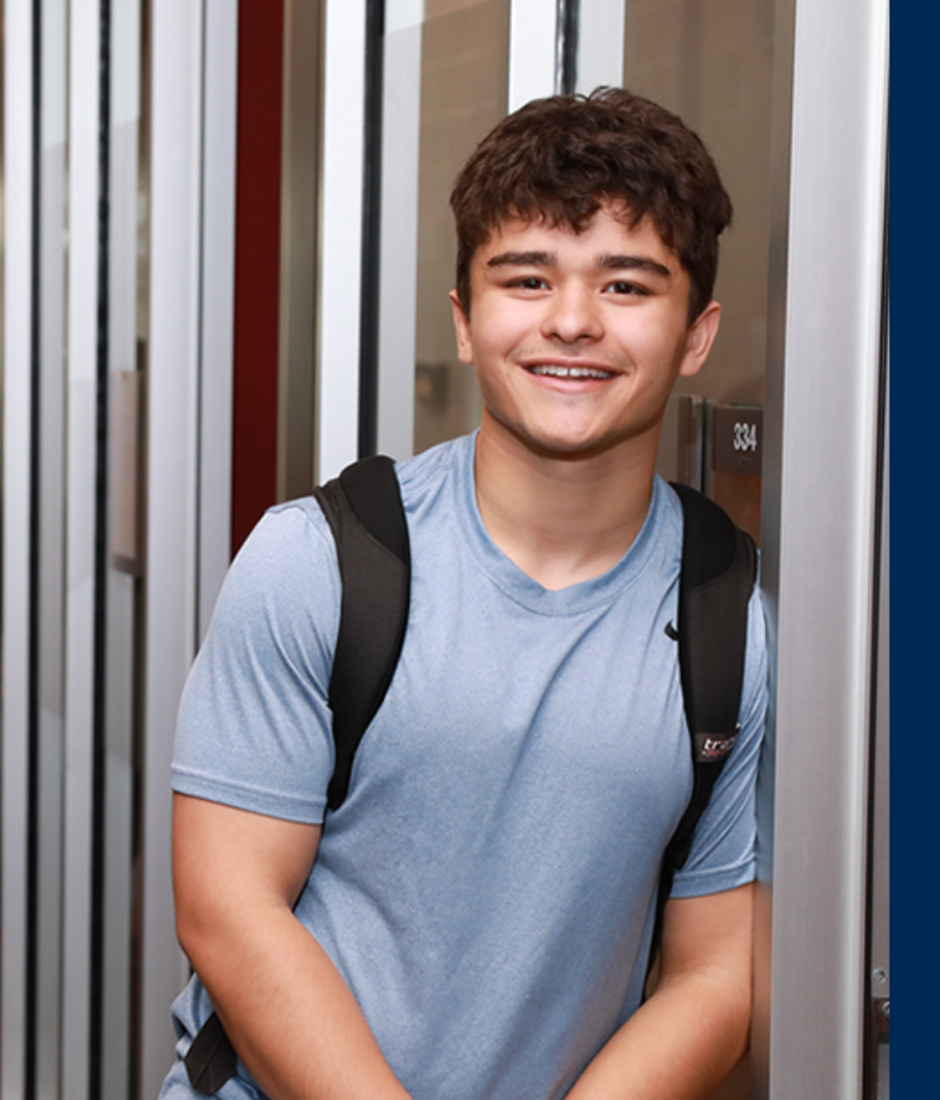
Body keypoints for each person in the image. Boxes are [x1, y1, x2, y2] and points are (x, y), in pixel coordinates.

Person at [160, 87, 767, 1100]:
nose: (570, 322)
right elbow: (227, 906)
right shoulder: (320, 561)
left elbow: (713, 972)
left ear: (696, 334)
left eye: (626, 286)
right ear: (465, 319)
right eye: (526, 279)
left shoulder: (728, 620)